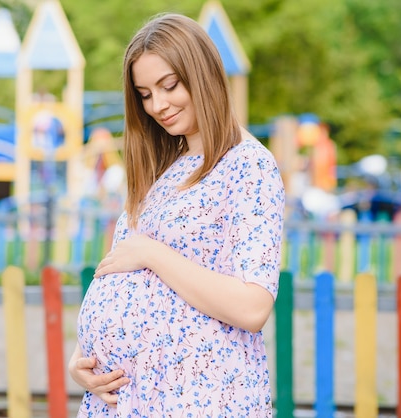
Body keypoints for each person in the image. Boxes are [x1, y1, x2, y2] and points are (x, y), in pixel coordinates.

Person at [68, 12, 285, 417]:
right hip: (130, 398)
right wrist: (81, 359)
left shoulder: (249, 165)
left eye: (169, 86)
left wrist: (152, 254)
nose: (158, 105)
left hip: (197, 396)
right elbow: (120, 269)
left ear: (202, 73)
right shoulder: (167, 168)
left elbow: (253, 308)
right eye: (145, 94)